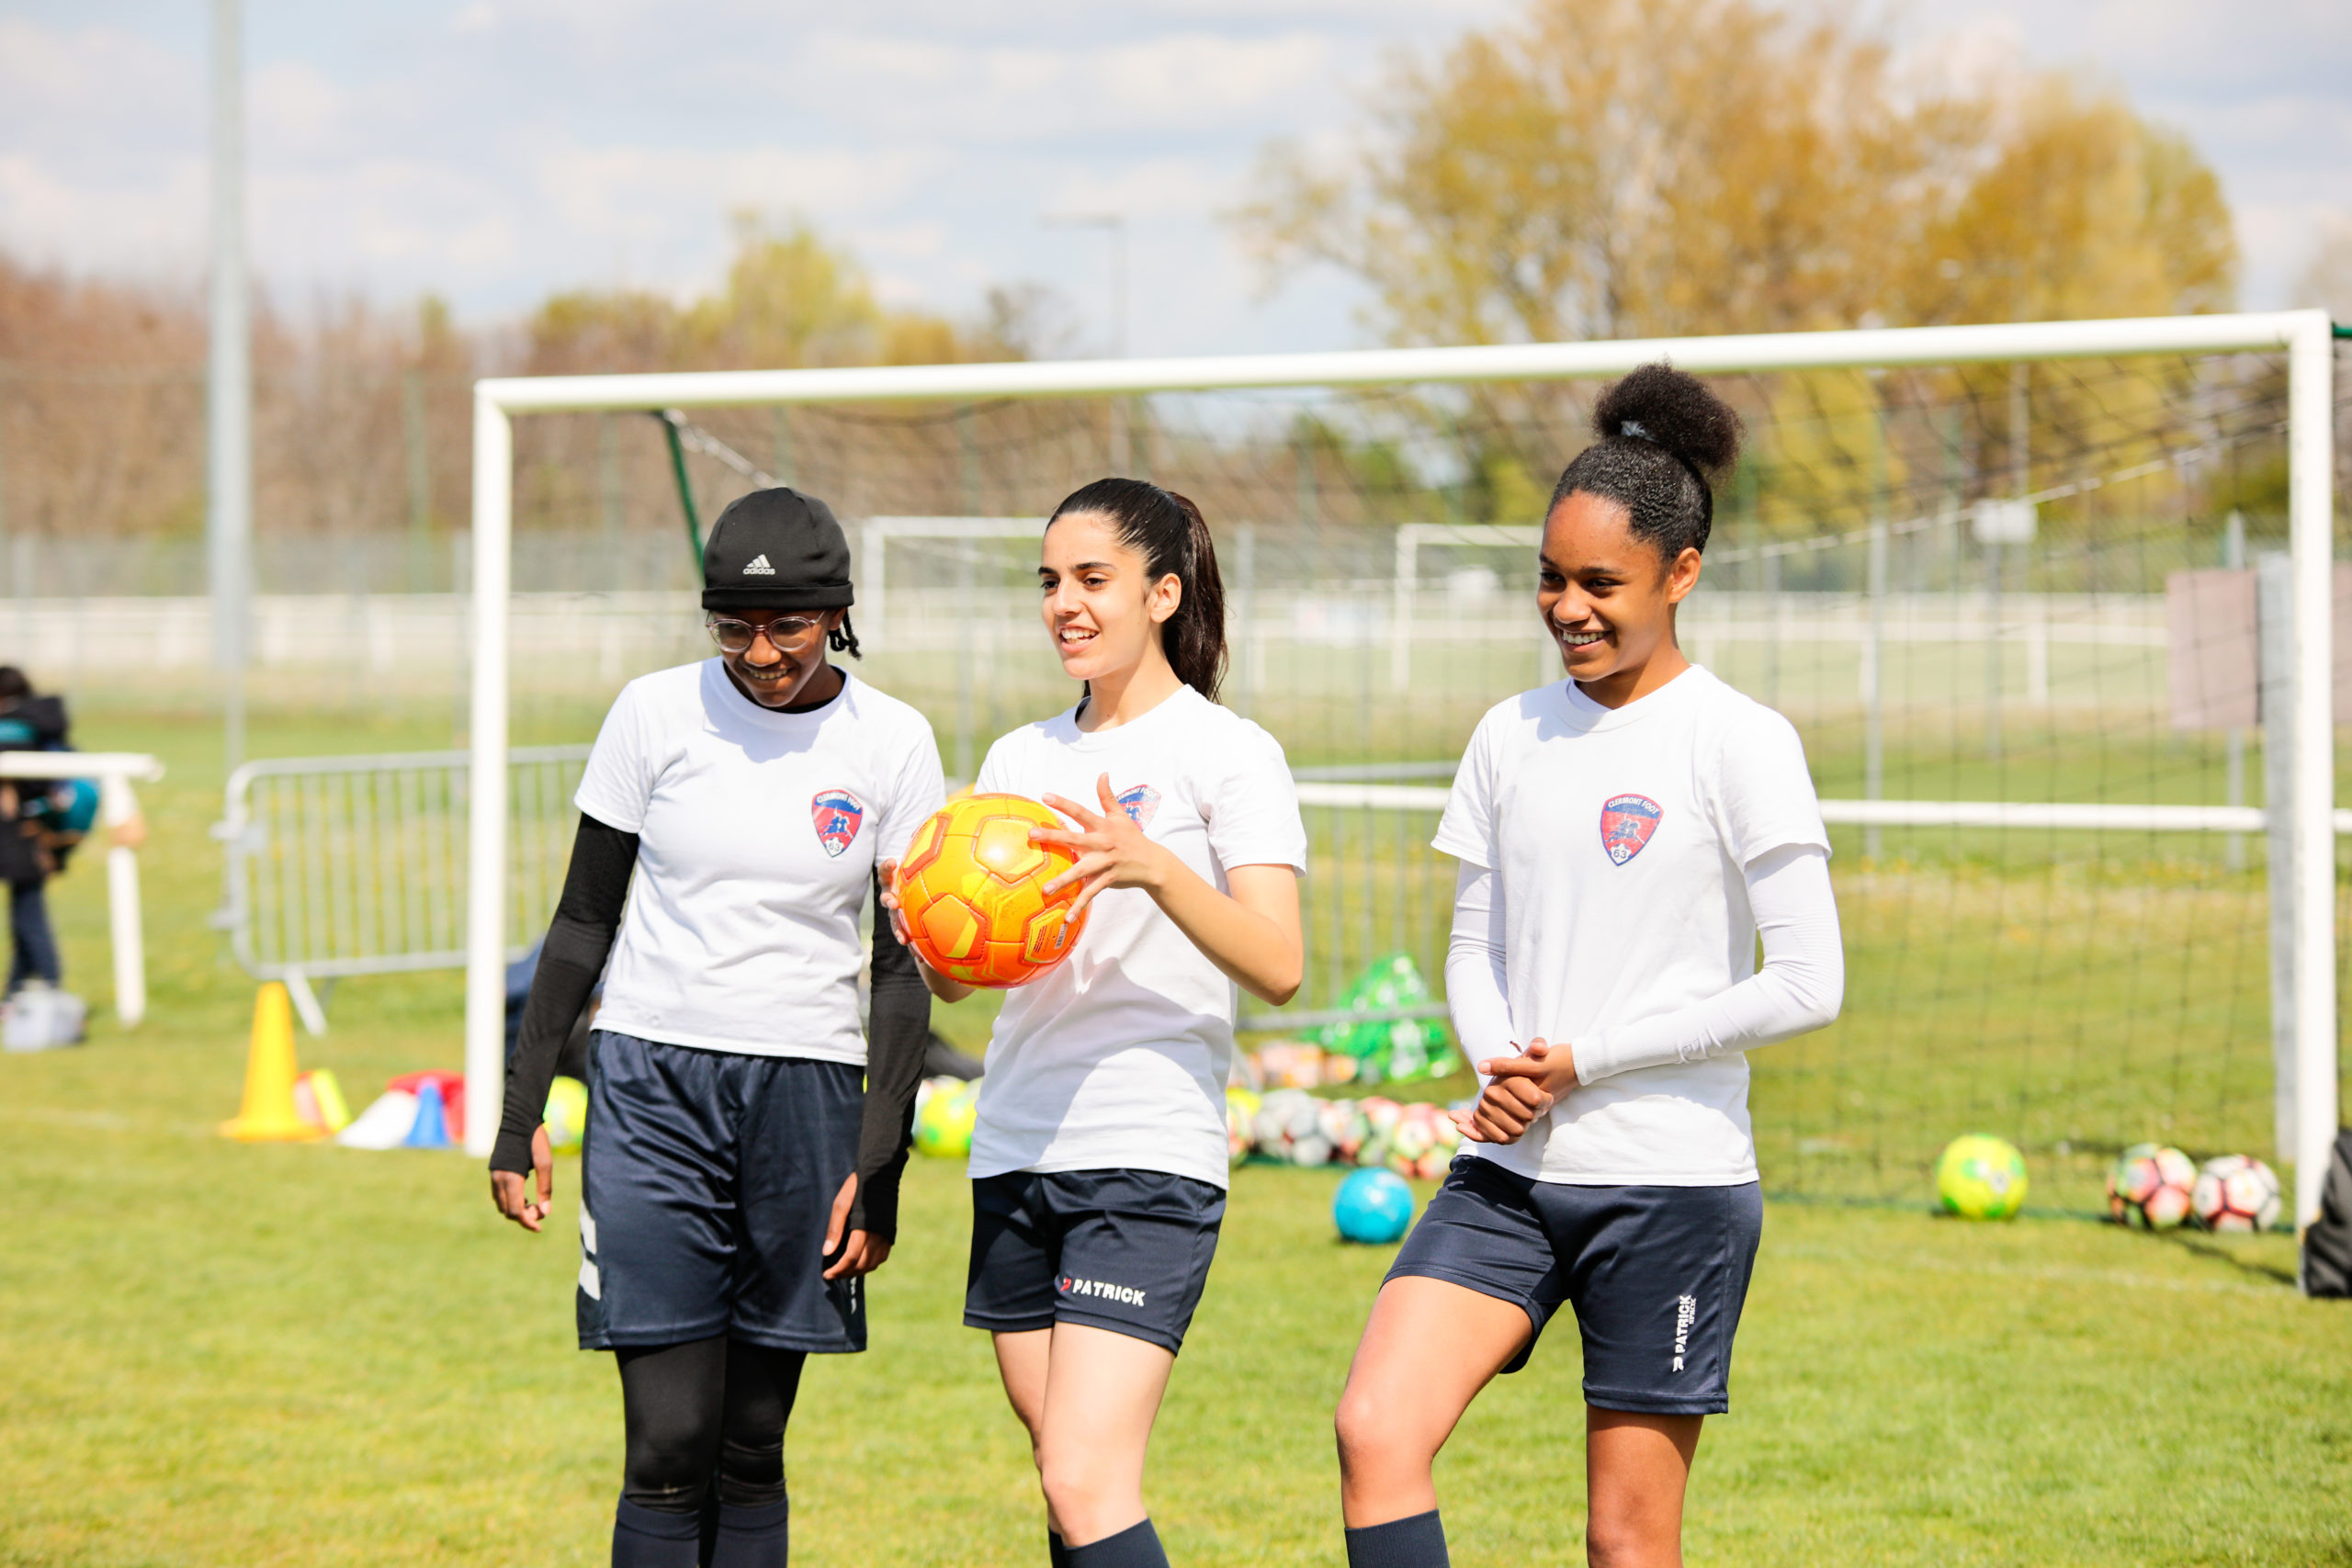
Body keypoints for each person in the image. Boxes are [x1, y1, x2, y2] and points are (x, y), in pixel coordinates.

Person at [1330, 366, 1845, 1568]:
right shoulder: (1509, 732)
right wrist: (1497, 1065)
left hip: (1670, 1182)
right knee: (1375, 1426)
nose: (1570, 606)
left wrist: (1584, 1059)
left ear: (1682, 573)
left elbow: (1811, 978)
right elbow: (1474, 942)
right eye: (1552, 578)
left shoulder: (1742, 739)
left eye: (1601, 582)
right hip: (1507, 1169)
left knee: (1625, 1536)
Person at [489, 488, 945, 1568]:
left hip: (811, 1097)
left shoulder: (894, 741)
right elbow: (580, 923)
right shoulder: (652, 714)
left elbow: (898, 974)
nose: (760, 653)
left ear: (835, 615)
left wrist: (879, 1165)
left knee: (750, 1443)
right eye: (733, 627)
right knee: (668, 1442)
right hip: (653, 1088)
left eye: (787, 625)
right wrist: (521, 1114)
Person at [890, 479, 1306, 1568]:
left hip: (1147, 1151)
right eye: (1048, 582)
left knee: (1084, 1478)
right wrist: (924, 931)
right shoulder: (1021, 761)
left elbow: (1280, 965)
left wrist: (1154, 867)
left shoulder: (1227, 753)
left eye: (1091, 580)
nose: (1063, 604)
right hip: (1019, 1144)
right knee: (1065, 1485)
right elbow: (967, 987)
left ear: (1163, 593)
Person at [0, 667, 72, 997]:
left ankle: (47, 987)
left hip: (17, 831)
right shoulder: (45, 721)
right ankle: (21, 991)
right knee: (26, 913)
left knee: (28, 916)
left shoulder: (13, 725)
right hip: (41, 827)